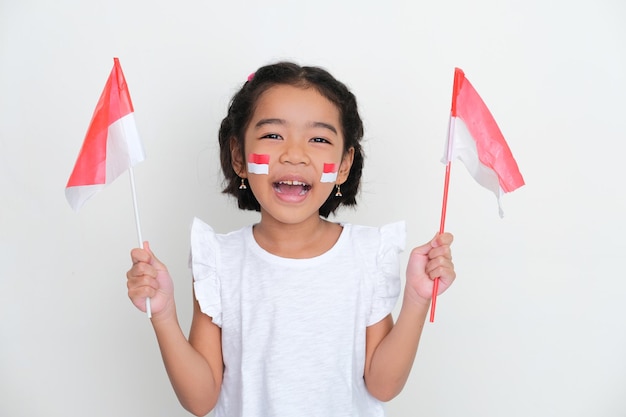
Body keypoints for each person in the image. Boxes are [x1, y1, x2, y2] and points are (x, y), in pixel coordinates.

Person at [127, 62, 456, 417]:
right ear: (238, 156)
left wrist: (416, 300)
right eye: (272, 135)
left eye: (319, 139)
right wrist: (162, 314)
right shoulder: (219, 260)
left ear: (344, 165)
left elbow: (383, 385)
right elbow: (201, 399)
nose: (294, 154)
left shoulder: (367, 254)